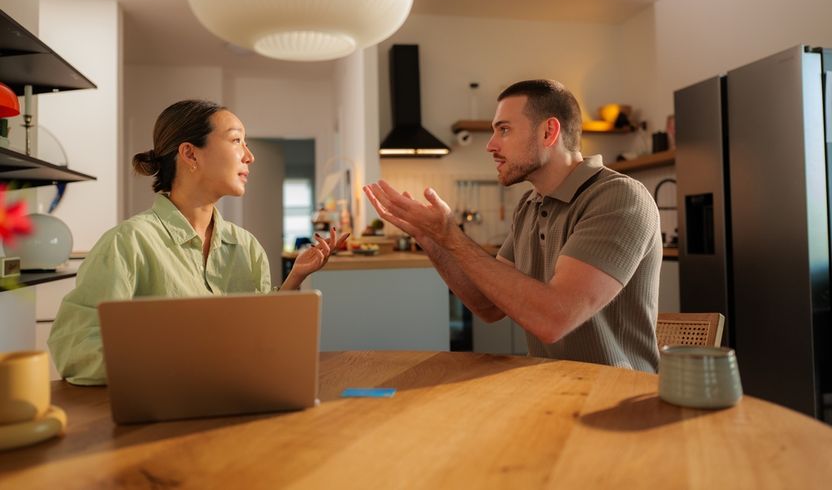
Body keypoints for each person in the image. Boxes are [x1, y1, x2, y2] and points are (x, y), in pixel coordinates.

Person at [364, 80, 661, 372]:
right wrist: (431, 239)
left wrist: (451, 235)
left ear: (548, 132)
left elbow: (553, 319)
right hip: (552, 390)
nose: (491, 146)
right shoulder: (530, 205)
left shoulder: (618, 197)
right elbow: (488, 305)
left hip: (616, 400)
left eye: (504, 130)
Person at [48, 99, 347, 385]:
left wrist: (294, 278)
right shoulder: (127, 243)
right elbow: (74, 350)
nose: (249, 156)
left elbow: (260, 338)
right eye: (236, 141)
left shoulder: (247, 246)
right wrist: (175, 366)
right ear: (190, 154)